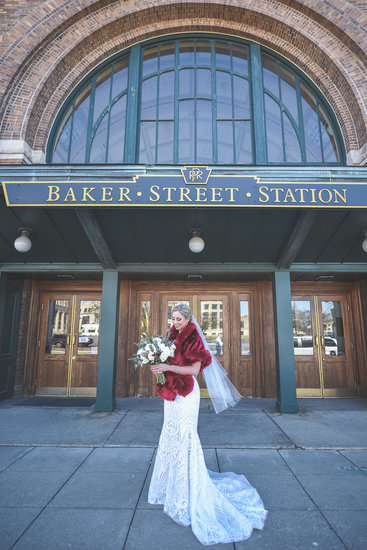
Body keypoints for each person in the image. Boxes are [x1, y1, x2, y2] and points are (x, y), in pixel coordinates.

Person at [148, 303, 267, 546]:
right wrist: (158, 365)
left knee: (185, 436)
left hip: (186, 393)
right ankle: (169, 488)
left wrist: (167, 366)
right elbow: (167, 360)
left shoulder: (193, 338)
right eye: (173, 318)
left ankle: (187, 491)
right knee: (170, 435)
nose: (175, 322)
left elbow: (193, 369)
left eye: (179, 319)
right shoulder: (171, 336)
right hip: (171, 393)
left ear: (188, 319)